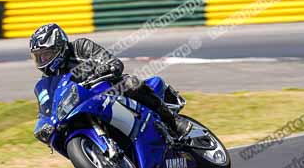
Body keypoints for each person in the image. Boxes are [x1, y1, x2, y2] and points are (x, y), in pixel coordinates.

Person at [29, 23, 192, 138]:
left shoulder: (80, 47)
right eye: (38, 57)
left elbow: (112, 62)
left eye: (46, 55)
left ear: (59, 46)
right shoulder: (48, 80)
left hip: (108, 87)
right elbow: (46, 107)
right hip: (83, 103)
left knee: (131, 84)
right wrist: (44, 122)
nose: (42, 61)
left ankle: (173, 122)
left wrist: (104, 69)